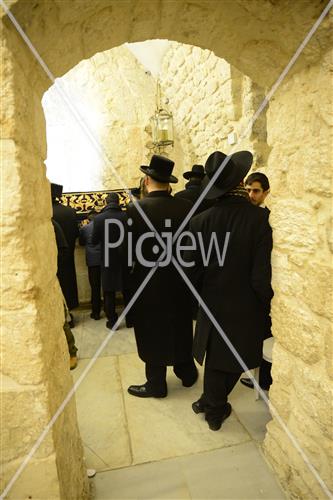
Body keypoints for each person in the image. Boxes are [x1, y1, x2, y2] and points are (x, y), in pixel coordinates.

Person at [184, 150, 273, 431]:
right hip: (245, 303)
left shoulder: (200, 222)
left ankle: (211, 404)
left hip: (212, 301)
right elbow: (260, 275)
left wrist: (203, 293)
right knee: (235, 356)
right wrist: (266, 302)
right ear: (240, 182)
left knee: (218, 355)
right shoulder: (260, 220)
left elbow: (191, 270)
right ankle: (214, 406)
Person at [126, 154, 198, 398]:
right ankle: (186, 373)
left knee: (152, 330)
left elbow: (127, 252)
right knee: (180, 325)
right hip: (180, 282)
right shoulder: (186, 208)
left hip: (148, 285)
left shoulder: (136, 210)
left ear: (147, 180)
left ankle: (156, 383)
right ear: (169, 183)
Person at [240, 171, 272, 391]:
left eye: (256, 191)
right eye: (248, 189)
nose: (251, 194)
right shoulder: (243, 215)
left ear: (266, 192)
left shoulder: (269, 217)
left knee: (266, 332)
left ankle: (265, 380)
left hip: (262, 284)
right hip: (246, 284)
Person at [92, 192, 132, 329]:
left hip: (108, 259)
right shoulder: (127, 217)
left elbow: (94, 240)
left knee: (109, 291)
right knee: (128, 290)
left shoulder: (98, 219)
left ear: (106, 203)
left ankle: (112, 322)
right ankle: (131, 320)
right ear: (118, 202)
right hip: (125, 258)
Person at [52, 218, 78, 369]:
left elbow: (62, 250)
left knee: (61, 316)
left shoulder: (51, 224)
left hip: (50, 277)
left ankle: (71, 351)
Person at [51, 183, 79, 322]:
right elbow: (75, 233)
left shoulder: (45, 212)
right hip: (68, 256)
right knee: (68, 284)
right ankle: (70, 315)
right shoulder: (70, 212)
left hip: (51, 258)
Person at [79, 213, 102, 320]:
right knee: (106, 287)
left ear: (88, 219)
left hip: (92, 261)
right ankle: (108, 310)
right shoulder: (103, 226)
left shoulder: (85, 228)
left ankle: (96, 312)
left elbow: (81, 243)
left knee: (95, 287)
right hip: (103, 259)